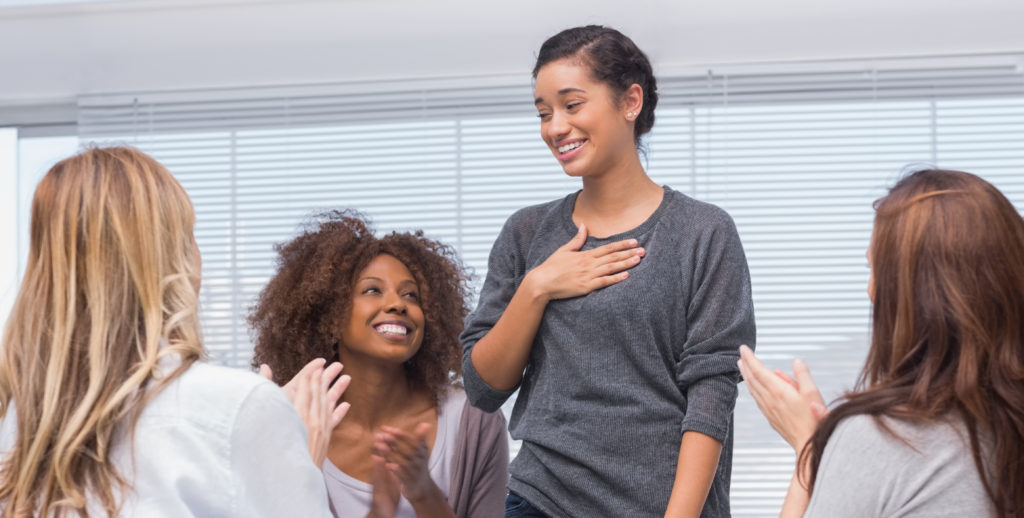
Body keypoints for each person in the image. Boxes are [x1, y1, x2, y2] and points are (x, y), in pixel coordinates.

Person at [460, 26, 755, 517]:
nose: (555, 127)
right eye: (543, 113)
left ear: (630, 101)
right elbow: (483, 387)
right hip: (543, 499)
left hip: (664, 504)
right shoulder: (527, 232)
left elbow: (712, 390)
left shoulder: (703, 231)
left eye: (572, 105)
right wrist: (538, 286)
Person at [0, 146, 339, 517]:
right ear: (168, 259)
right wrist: (297, 457)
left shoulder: (15, 424)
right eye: (189, 235)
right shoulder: (238, 408)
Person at [739, 169, 1024, 517]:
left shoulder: (880, 441)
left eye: (874, 270)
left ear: (907, 298)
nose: (870, 290)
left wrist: (811, 453)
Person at [250, 212, 509, 518]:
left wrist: (424, 494)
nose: (398, 304)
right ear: (330, 316)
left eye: (410, 295)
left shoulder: (472, 421)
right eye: (373, 290)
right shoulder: (291, 425)